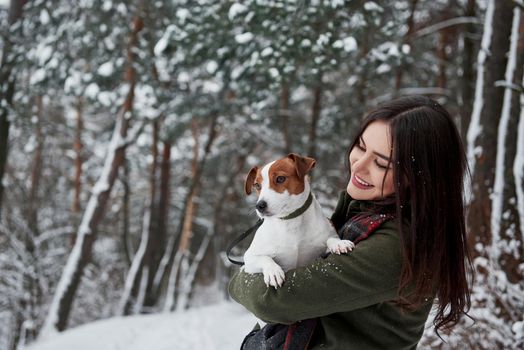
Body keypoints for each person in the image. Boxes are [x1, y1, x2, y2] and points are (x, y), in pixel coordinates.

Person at [228, 95, 473, 349]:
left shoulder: (395, 247)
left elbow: (271, 301)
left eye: (380, 163)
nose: (358, 165)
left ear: (420, 178)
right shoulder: (363, 213)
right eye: (361, 146)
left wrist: (240, 280)